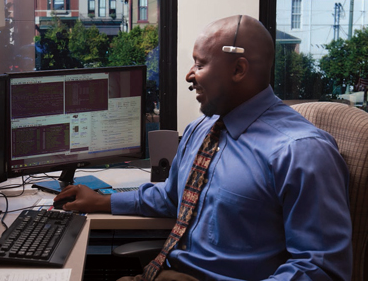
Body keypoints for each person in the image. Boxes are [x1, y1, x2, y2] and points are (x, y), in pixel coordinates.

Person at [54, 15, 353, 280]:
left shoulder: (301, 152)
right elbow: (174, 196)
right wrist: (102, 202)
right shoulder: (203, 128)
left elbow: (320, 269)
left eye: (200, 64)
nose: (189, 75)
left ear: (238, 69)